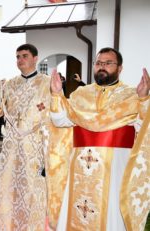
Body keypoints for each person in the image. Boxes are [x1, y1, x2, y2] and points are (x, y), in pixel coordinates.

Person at [48, 47, 150, 231]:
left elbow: (143, 130)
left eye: (108, 63)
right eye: (98, 63)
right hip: (79, 170)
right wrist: (57, 95)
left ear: (120, 68)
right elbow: (60, 121)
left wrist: (144, 100)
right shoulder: (80, 94)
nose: (102, 66)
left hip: (115, 170)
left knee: (111, 216)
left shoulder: (131, 95)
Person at [0, 44, 51, 230]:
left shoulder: (47, 83)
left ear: (35, 58)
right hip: (11, 147)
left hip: (33, 148)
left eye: (24, 56)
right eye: (17, 56)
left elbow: (52, 117)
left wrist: (48, 153)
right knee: (10, 188)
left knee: (31, 191)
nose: (20, 60)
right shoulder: (10, 84)